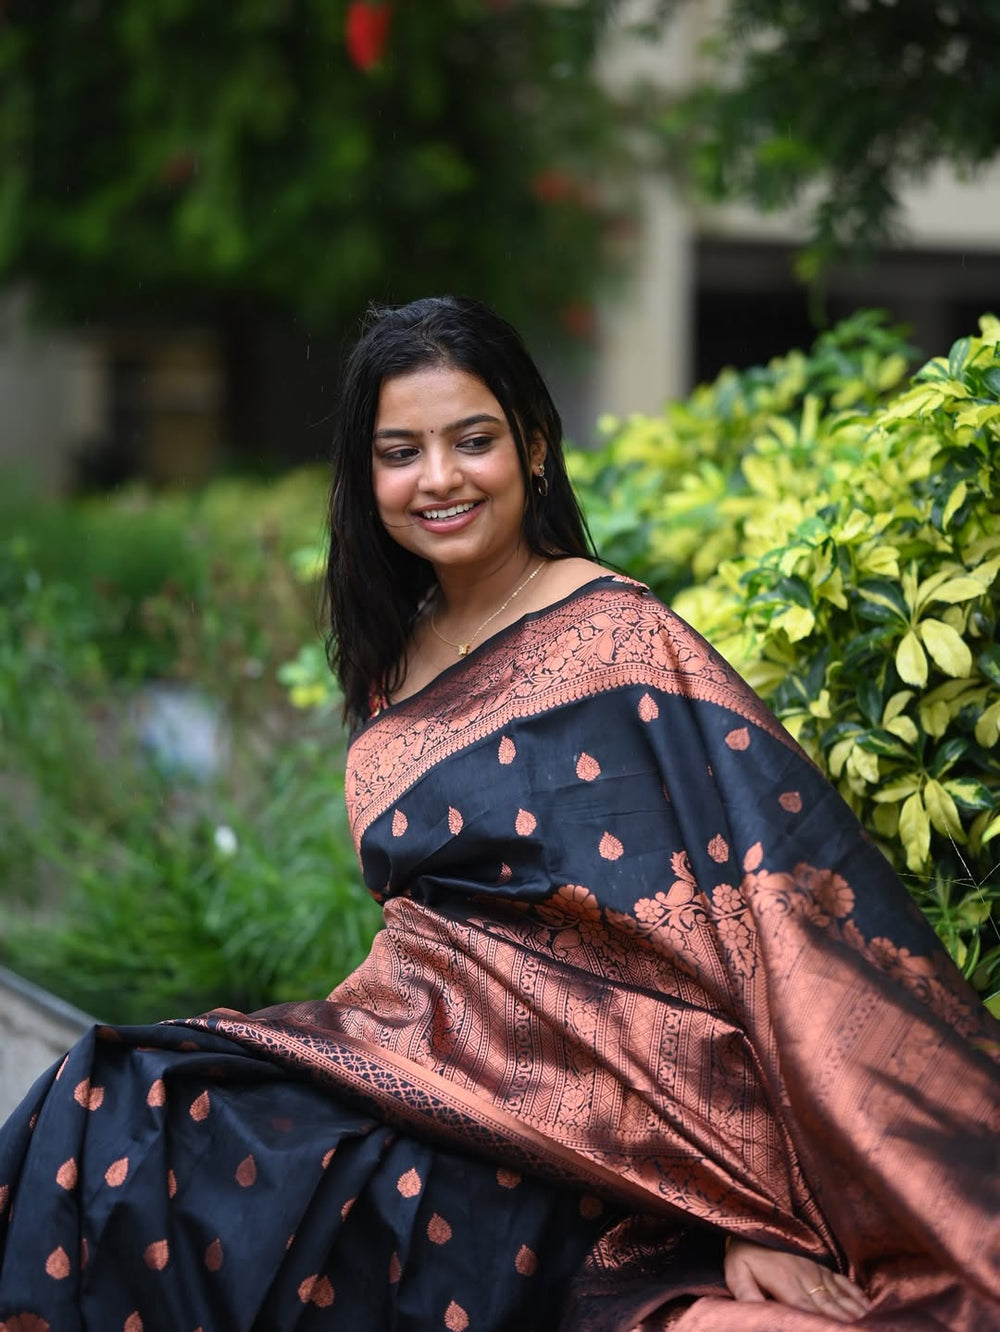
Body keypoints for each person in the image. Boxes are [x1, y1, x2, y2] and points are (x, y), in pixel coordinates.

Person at [0, 296, 996, 1332]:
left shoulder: (617, 639)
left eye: (472, 441)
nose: (438, 478)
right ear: (366, 476)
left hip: (587, 1159)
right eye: (401, 452)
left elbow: (745, 942)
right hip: (421, 1084)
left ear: (533, 447)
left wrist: (755, 1210)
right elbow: (446, 950)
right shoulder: (391, 660)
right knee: (114, 1105)